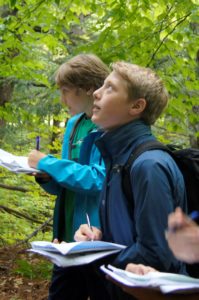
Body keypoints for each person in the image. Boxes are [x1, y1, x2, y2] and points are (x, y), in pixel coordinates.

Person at [74, 61, 187, 300]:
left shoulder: (149, 165)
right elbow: (132, 236)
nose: (96, 92)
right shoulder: (117, 159)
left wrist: (95, 258)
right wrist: (98, 239)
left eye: (110, 88)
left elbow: (156, 254)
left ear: (136, 106)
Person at [28, 54, 110, 300]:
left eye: (66, 91)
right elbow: (65, 185)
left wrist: (49, 162)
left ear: (88, 89)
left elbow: (98, 180)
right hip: (65, 238)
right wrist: (46, 176)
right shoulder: (73, 125)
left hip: (96, 237)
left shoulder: (106, 124)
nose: (62, 99)